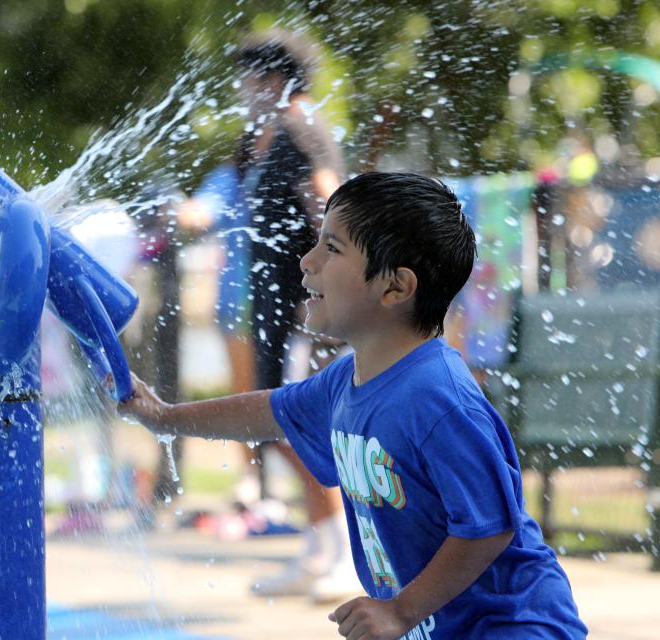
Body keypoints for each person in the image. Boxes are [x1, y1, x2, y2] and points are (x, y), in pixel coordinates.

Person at [120, 173, 588, 638]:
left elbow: (490, 525)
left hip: (513, 627)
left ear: (396, 288)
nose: (307, 261)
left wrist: (400, 611)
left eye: (332, 248)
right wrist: (162, 416)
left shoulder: (438, 399)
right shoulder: (347, 379)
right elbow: (267, 411)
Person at [232, 29, 356, 601]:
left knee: (299, 423)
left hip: (301, 306)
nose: (242, 90)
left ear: (276, 81)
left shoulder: (301, 130)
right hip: (272, 306)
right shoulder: (260, 139)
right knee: (279, 424)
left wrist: (328, 288)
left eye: (250, 79)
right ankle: (320, 546)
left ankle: (346, 552)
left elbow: (333, 207)